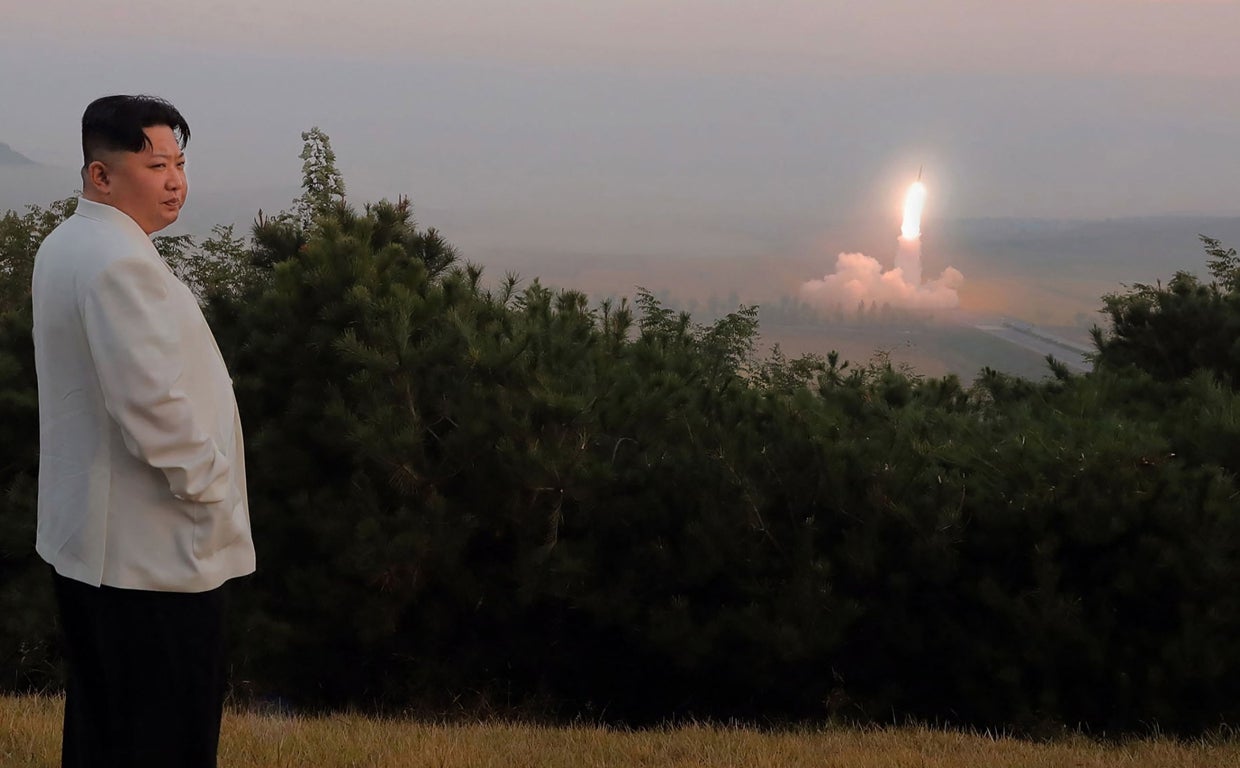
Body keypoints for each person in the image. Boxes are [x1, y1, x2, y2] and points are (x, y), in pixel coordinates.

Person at [31, 95, 255, 768]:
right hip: (151, 552)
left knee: (107, 726)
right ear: (100, 175)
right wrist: (210, 486)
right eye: (156, 166)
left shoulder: (69, 243)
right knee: (165, 734)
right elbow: (152, 407)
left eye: (179, 164)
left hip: (97, 545)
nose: (175, 181)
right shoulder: (118, 262)